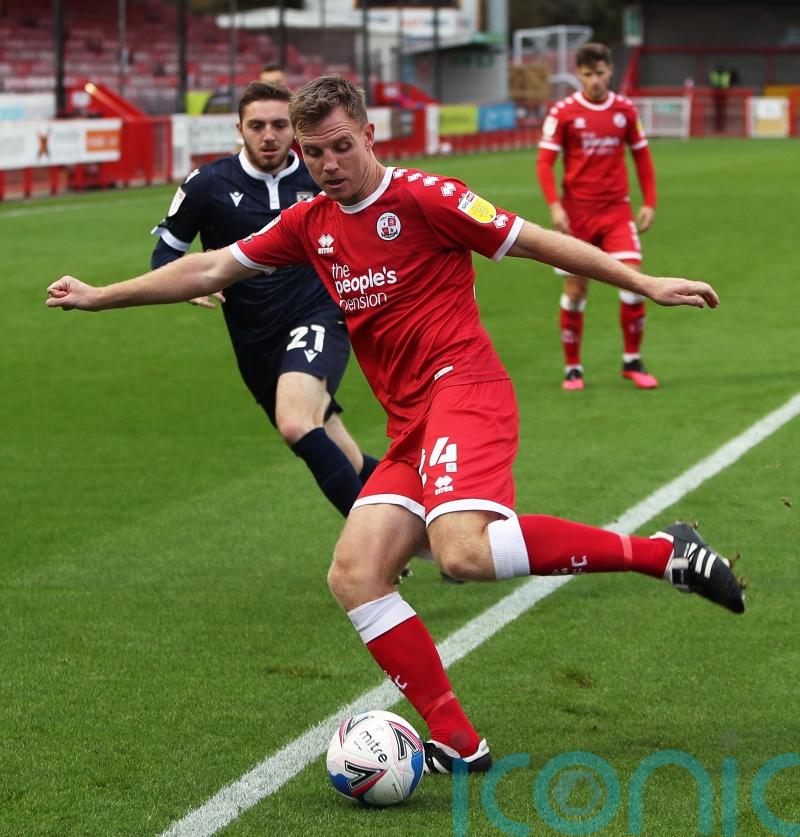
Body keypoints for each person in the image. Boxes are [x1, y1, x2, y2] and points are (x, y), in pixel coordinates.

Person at [47, 75, 745, 776]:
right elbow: (209, 267)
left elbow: (532, 240)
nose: (328, 165)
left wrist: (644, 282)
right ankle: (460, 742)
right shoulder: (309, 224)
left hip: (465, 389)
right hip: (411, 420)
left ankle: (665, 553)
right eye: (315, 153)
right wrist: (100, 296)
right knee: (355, 573)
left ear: (369, 135)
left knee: (462, 553)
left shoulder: (425, 197)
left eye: (341, 147)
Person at [151, 81, 378, 518]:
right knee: (335, 447)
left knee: (296, 422)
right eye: (257, 125)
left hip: (319, 312)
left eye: (279, 125)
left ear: (295, 129)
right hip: (253, 335)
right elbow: (167, 252)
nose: (268, 135)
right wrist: (186, 281)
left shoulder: (323, 174)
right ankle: (435, 520)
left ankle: (374, 541)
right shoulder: (207, 184)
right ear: (240, 128)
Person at [537, 43, 659, 391]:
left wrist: (649, 201)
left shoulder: (625, 110)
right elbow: (544, 162)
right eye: (588, 74)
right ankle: (573, 367)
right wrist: (555, 206)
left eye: (600, 73)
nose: (594, 80)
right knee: (576, 289)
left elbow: (643, 157)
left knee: (633, 279)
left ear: (610, 71)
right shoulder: (563, 112)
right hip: (576, 216)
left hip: (617, 212)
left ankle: (631, 361)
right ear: (579, 74)